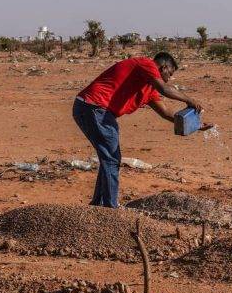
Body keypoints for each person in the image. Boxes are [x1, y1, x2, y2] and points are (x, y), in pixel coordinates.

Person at [72, 52, 209, 207]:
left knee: (108, 158)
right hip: (93, 107)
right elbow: (164, 89)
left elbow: (166, 113)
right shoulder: (146, 64)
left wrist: (196, 125)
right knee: (111, 158)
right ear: (163, 67)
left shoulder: (148, 89)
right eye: (169, 74)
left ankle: (99, 204)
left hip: (93, 109)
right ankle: (110, 209)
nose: (169, 78)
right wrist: (190, 100)